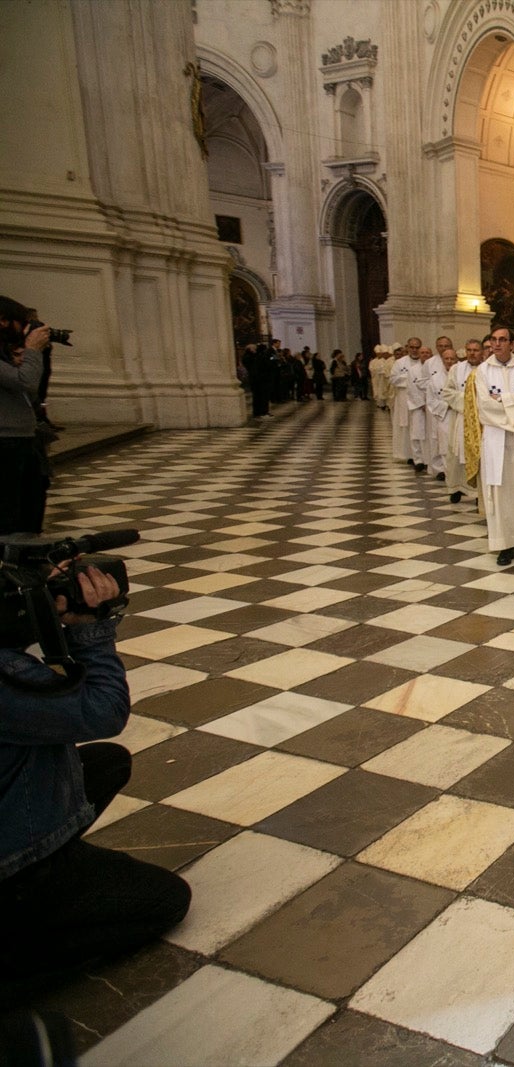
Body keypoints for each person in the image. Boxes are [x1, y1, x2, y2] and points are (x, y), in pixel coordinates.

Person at [1, 564, 191, 998]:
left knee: (108, 763)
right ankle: (15, 942)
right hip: (12, 867)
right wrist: (92, 628)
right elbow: (104, 710)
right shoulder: (7, 679)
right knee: (166, 900)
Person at [474, 326, 514, 568]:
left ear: (512, 344)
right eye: (494, 340)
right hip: (496, 439)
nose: (497, 344)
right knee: (501, 493)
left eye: (503, 340)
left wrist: (503, 400)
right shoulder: (483, 371)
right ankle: (503, 544)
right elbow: (484, 407)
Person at [0, 297, 50, 535]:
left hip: (22, 437)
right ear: (3, 321)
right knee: (9, 510)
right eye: (21, 323)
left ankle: (27, 560)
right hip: (5, 441)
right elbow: (26, 382)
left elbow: (31, 392)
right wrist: (32, 351)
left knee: (32, 503)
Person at [443, 338, 482, 505]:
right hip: (461, 418)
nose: (472, 353)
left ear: (481, 352)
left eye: (475, 350)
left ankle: (476, 493)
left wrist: (477, 403)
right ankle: (456, 488)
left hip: (480, 420)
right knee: (456, 455)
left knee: (477, 455)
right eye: (469, 350)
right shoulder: (456, 369)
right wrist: (468, 401)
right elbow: (447, 392)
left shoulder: (486, 370)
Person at [423, 339, 452, 481]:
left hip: (460, 416)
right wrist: (448, 405)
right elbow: (431, 399)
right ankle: (441, 470)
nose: (449, 361)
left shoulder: (461, 374)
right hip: (441, 415)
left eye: (452, 359)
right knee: (440, 443)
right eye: (446, 359)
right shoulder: (434, 377)